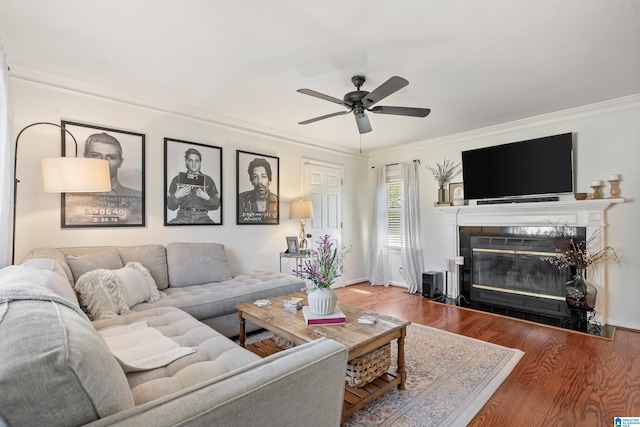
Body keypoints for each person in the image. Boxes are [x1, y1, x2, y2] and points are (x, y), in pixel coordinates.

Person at [167, 148, 220, 224]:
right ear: (186, 162)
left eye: (197, 161)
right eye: (190, 160)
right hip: (182, 217)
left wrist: (207, 198)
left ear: (200, 163)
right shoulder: (177, 179)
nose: (194, 163)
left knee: (216, 231)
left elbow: (216, 205)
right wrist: (176, 196)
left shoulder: (208, 180)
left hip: (203, 218)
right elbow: (171, 207)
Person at [83, 132, 142, 197]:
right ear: (85, 158)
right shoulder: (72, 194)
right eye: (95, 155)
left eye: (111, 157)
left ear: (120, 162)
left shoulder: (138, 196)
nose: (104, 162)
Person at [238, 157, 278, 222]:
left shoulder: (277, 201)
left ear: (269, 180)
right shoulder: (241, 199)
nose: (260, 181)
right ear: (251, 181)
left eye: (263, 176)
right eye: (255, 177)